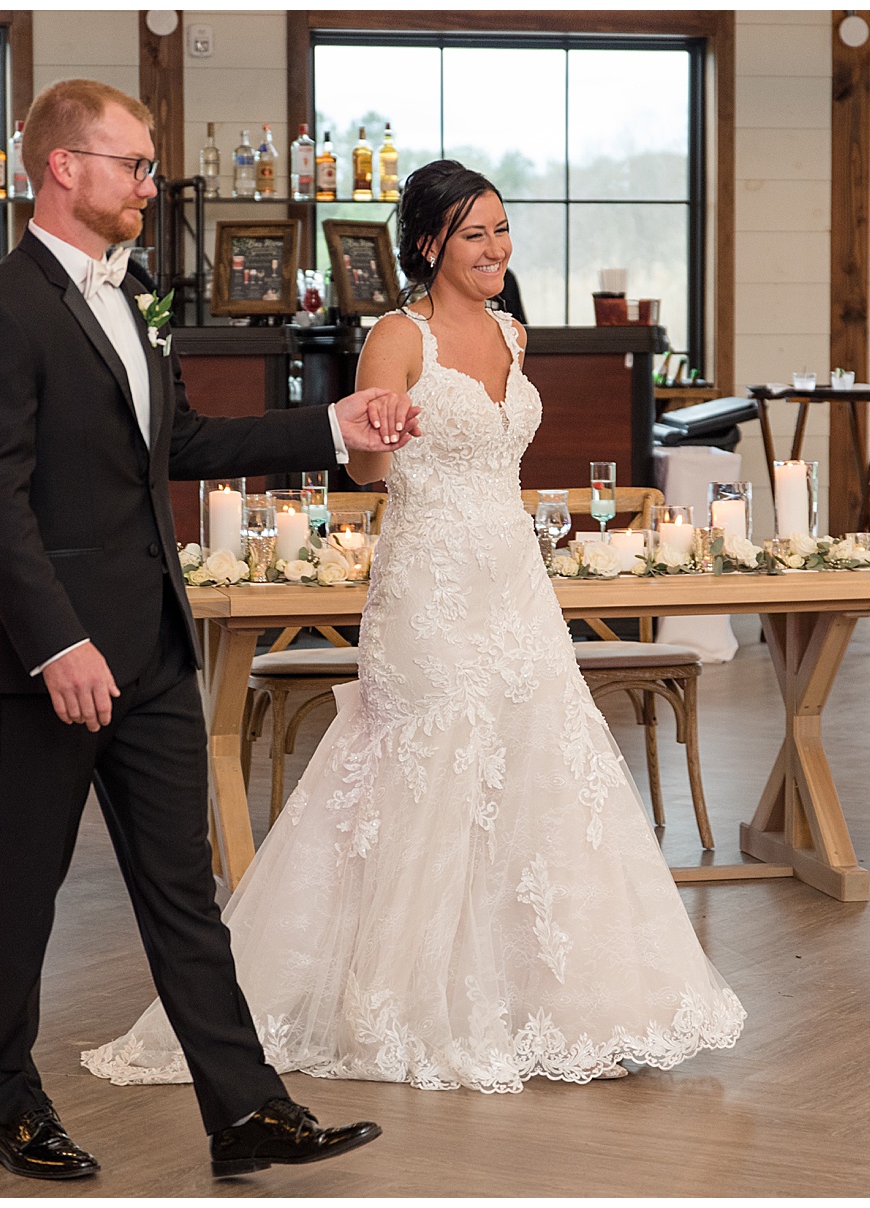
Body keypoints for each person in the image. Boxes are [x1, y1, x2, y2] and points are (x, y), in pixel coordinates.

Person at [85, 160, 745, 1095]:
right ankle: (398, 1001)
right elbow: (362, 466)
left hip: (511, 576)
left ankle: (549, 999)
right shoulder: (398, 335)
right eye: (476, 235)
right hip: (429, 582)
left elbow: (504, 452)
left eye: (503, 231)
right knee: (427, 764)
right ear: (431, 243)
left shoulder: (515, 331)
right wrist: (379, 430)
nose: (497, 250)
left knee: (537, 761)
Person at [0, 79, 420, 1181]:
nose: (151, 187)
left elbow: (182, 444)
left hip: (152, 647)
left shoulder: (128, 296)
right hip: (51, 659)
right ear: (64, 167)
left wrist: (331, 420)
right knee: (24, 889)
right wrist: (58, 643)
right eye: (134, 166)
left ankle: (245, 1108)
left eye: (151, 168)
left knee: (184, 889)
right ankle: (7, 1106)